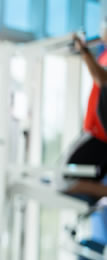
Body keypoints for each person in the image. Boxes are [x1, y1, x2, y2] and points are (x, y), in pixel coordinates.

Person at [59, 30, 107, 199]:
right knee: (65, 176)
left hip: (100, 134)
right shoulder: (104, 55)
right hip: (94, 130)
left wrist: (84, 50)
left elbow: (102, 78)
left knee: (65, 177)